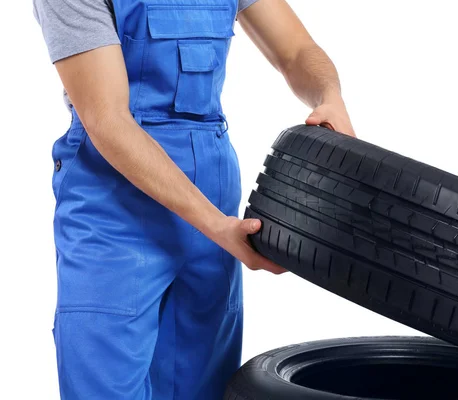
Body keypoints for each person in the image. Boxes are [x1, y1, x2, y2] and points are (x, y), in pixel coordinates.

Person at [33, 0, 355, 398]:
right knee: (105, 385)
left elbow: (295, 50)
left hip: (212, 193)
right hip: (113, 209)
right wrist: (217, 226)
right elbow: (107, 120)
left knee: (203, 385)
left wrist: (328, 94)